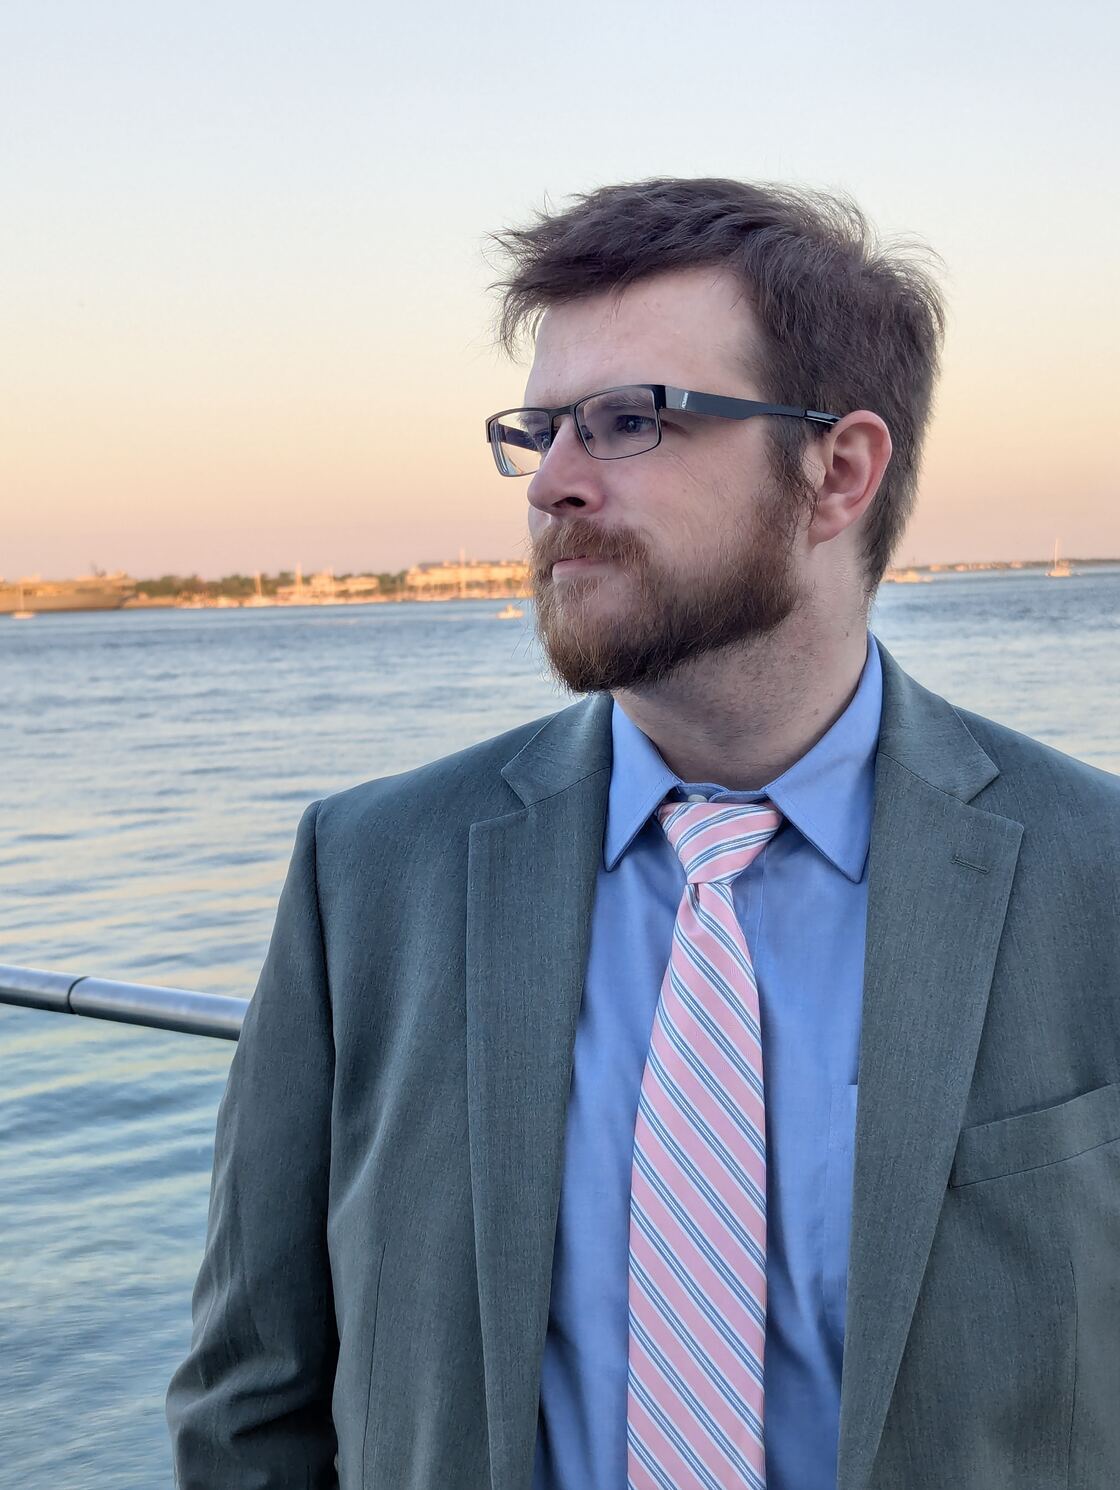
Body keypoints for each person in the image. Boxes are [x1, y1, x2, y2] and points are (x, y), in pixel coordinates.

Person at [167, 178, 1120, 1490]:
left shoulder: (1095, 879)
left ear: (836, 472)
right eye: (540, 428)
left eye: (629, 422)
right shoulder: (369, 879)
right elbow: (248, 1405)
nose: (553, 483)